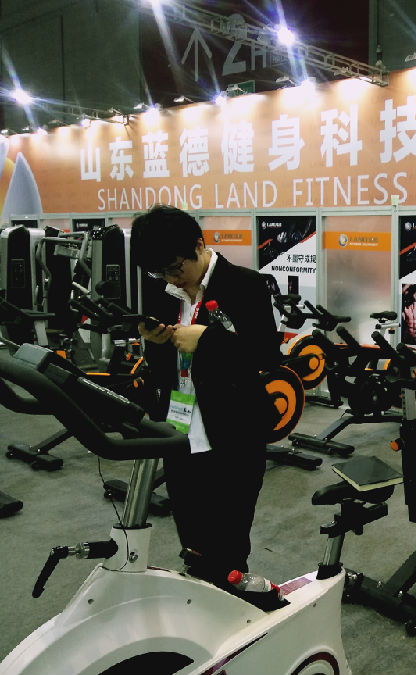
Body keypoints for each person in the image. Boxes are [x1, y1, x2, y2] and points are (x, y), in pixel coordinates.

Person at [131, 205, 281, 586]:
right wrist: (155, 344)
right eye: (161, 273)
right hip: (179, 429)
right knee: (193, 537)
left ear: (199, 245)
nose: (171, 279)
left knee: (229, 542)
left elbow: (265, 356)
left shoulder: (246, 285)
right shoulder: (162, 291)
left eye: (175, 268)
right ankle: (200, 589)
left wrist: (208, 340)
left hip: (233, 432)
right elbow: (164, 371)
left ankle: (231, 596)